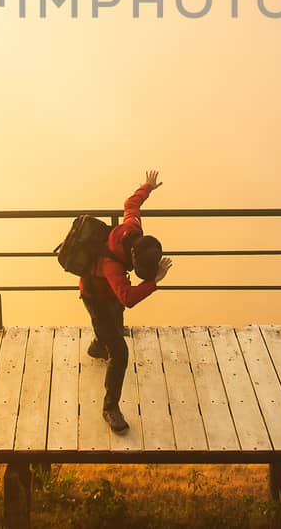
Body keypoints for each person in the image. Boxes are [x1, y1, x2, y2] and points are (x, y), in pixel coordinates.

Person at [79, 169, 173, 433]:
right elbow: (128, 298)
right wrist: (153, 282)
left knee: (112, 328)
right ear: (132, 256)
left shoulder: (133, 229)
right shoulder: (112, 266)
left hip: (109, 294)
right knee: (119, 353)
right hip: (95, 297)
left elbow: (131, 205)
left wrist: (147, 187)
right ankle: (111, 408)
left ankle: (99, 344)